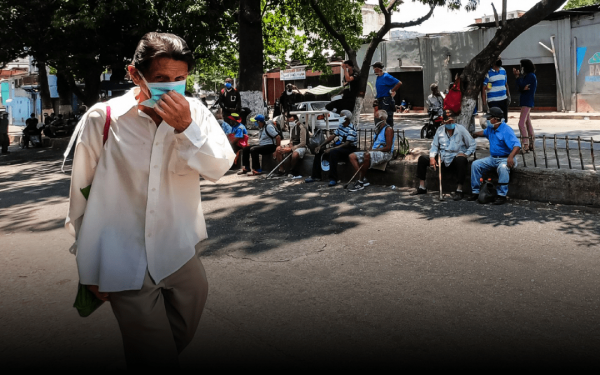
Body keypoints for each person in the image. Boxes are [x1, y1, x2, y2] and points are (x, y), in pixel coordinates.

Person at [65, 32, 235, 369]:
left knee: (180, 334)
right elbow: (80, 195)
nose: (172, 87)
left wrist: (186, 128)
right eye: (160, 79)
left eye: (180, 79)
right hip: (123, 259)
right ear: (134, 75)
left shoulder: (195, 113)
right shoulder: (104, 119)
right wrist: (89, 267)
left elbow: (219, 167)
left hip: (181, 250)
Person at [412, 109, 476, 200]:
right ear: (443, 122)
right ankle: (422, 187)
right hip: (443, 157)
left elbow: (472, 144)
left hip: (456, 157)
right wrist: (432, 157)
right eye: (448, 121)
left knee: (461, 160)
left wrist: (466, 154)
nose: (450, 123)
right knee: (422, 159)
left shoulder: (461, 129)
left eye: (452, 121)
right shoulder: (440, 130)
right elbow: (434, 145)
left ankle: (459, 190)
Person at [468, 107, 521, 205]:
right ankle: (475, 192)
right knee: (475, 164)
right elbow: (483, 132)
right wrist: (474, 134)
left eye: (489, 118)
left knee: (503, 168)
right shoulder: (491, 128)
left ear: (495, 119)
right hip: (493, 158)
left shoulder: (506, 130)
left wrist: (510, 157)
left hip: (505, 158)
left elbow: (517, 146)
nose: (487, 120)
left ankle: (501, 195)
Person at [305, 109, 358, 187]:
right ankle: (316, 176)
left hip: (349, 148)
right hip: (340, 147)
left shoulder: (351, 129)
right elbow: (332, 137)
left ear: (346, 118)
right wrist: (320, 146)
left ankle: (333, 179)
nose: (340, 118)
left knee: (333, 153)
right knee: (319, 151)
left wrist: (332, 149)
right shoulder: (341, 126)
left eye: (341, 116)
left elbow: (346, 144)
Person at [347, 110, 395, 192]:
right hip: (374, 152)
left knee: (367, 155)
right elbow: (373, 143)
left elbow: (388, 148)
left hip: (385, 153)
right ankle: (363, 179)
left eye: (376, 117)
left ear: (382, 118)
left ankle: (360, 182)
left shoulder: (388, 129)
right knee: (352, 156)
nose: (374, 118)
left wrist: (373, 150)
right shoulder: (377, 129)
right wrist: (370, 149)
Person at [513, 59, 538, 152]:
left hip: (527, 101)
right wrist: (521, 84)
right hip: (525, 101)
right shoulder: (528, 76)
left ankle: (526, 143)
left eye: (521, 66)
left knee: (521, 123)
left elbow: (522, 85)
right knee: (527, 122)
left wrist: (518, 78)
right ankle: (531, 142)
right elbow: (520, 87)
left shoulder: (530, 76)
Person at [372, 61, 402, 126]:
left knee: (387, 118)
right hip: (380, 99)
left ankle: (389, 133)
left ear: (378, 69)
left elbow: (399, 83)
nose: (373, 70)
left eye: (374, 68)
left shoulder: (386, 76)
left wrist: (392, 91)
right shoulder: (378, 77)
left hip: (386, 100)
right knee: (380, 119)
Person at [482, 56, 511, 121]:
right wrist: (484, 104)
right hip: (493, 101)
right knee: (494, 121)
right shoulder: (488, 73)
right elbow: (483, 88)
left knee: (504, 120)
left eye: (500, 59)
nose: (499, 60)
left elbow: (506, 84)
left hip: (503, 99)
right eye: (497, 59)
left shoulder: (503, 70)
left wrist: (508, 96)